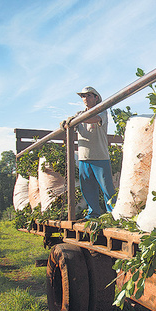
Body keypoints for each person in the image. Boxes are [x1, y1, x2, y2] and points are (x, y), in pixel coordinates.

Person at [62, 86, 116, 219]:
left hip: (100, 156)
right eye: (83, 96)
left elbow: (93, 119)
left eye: (88, 96)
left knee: (107, 188)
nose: (85, 99)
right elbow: (71, 124)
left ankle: (113, 214)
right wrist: (67, 123)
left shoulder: (101, 111)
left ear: (96, 97)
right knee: (88, 188)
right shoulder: (79, 114)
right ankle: (93, 213)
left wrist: (75, 120)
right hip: (84, 157)